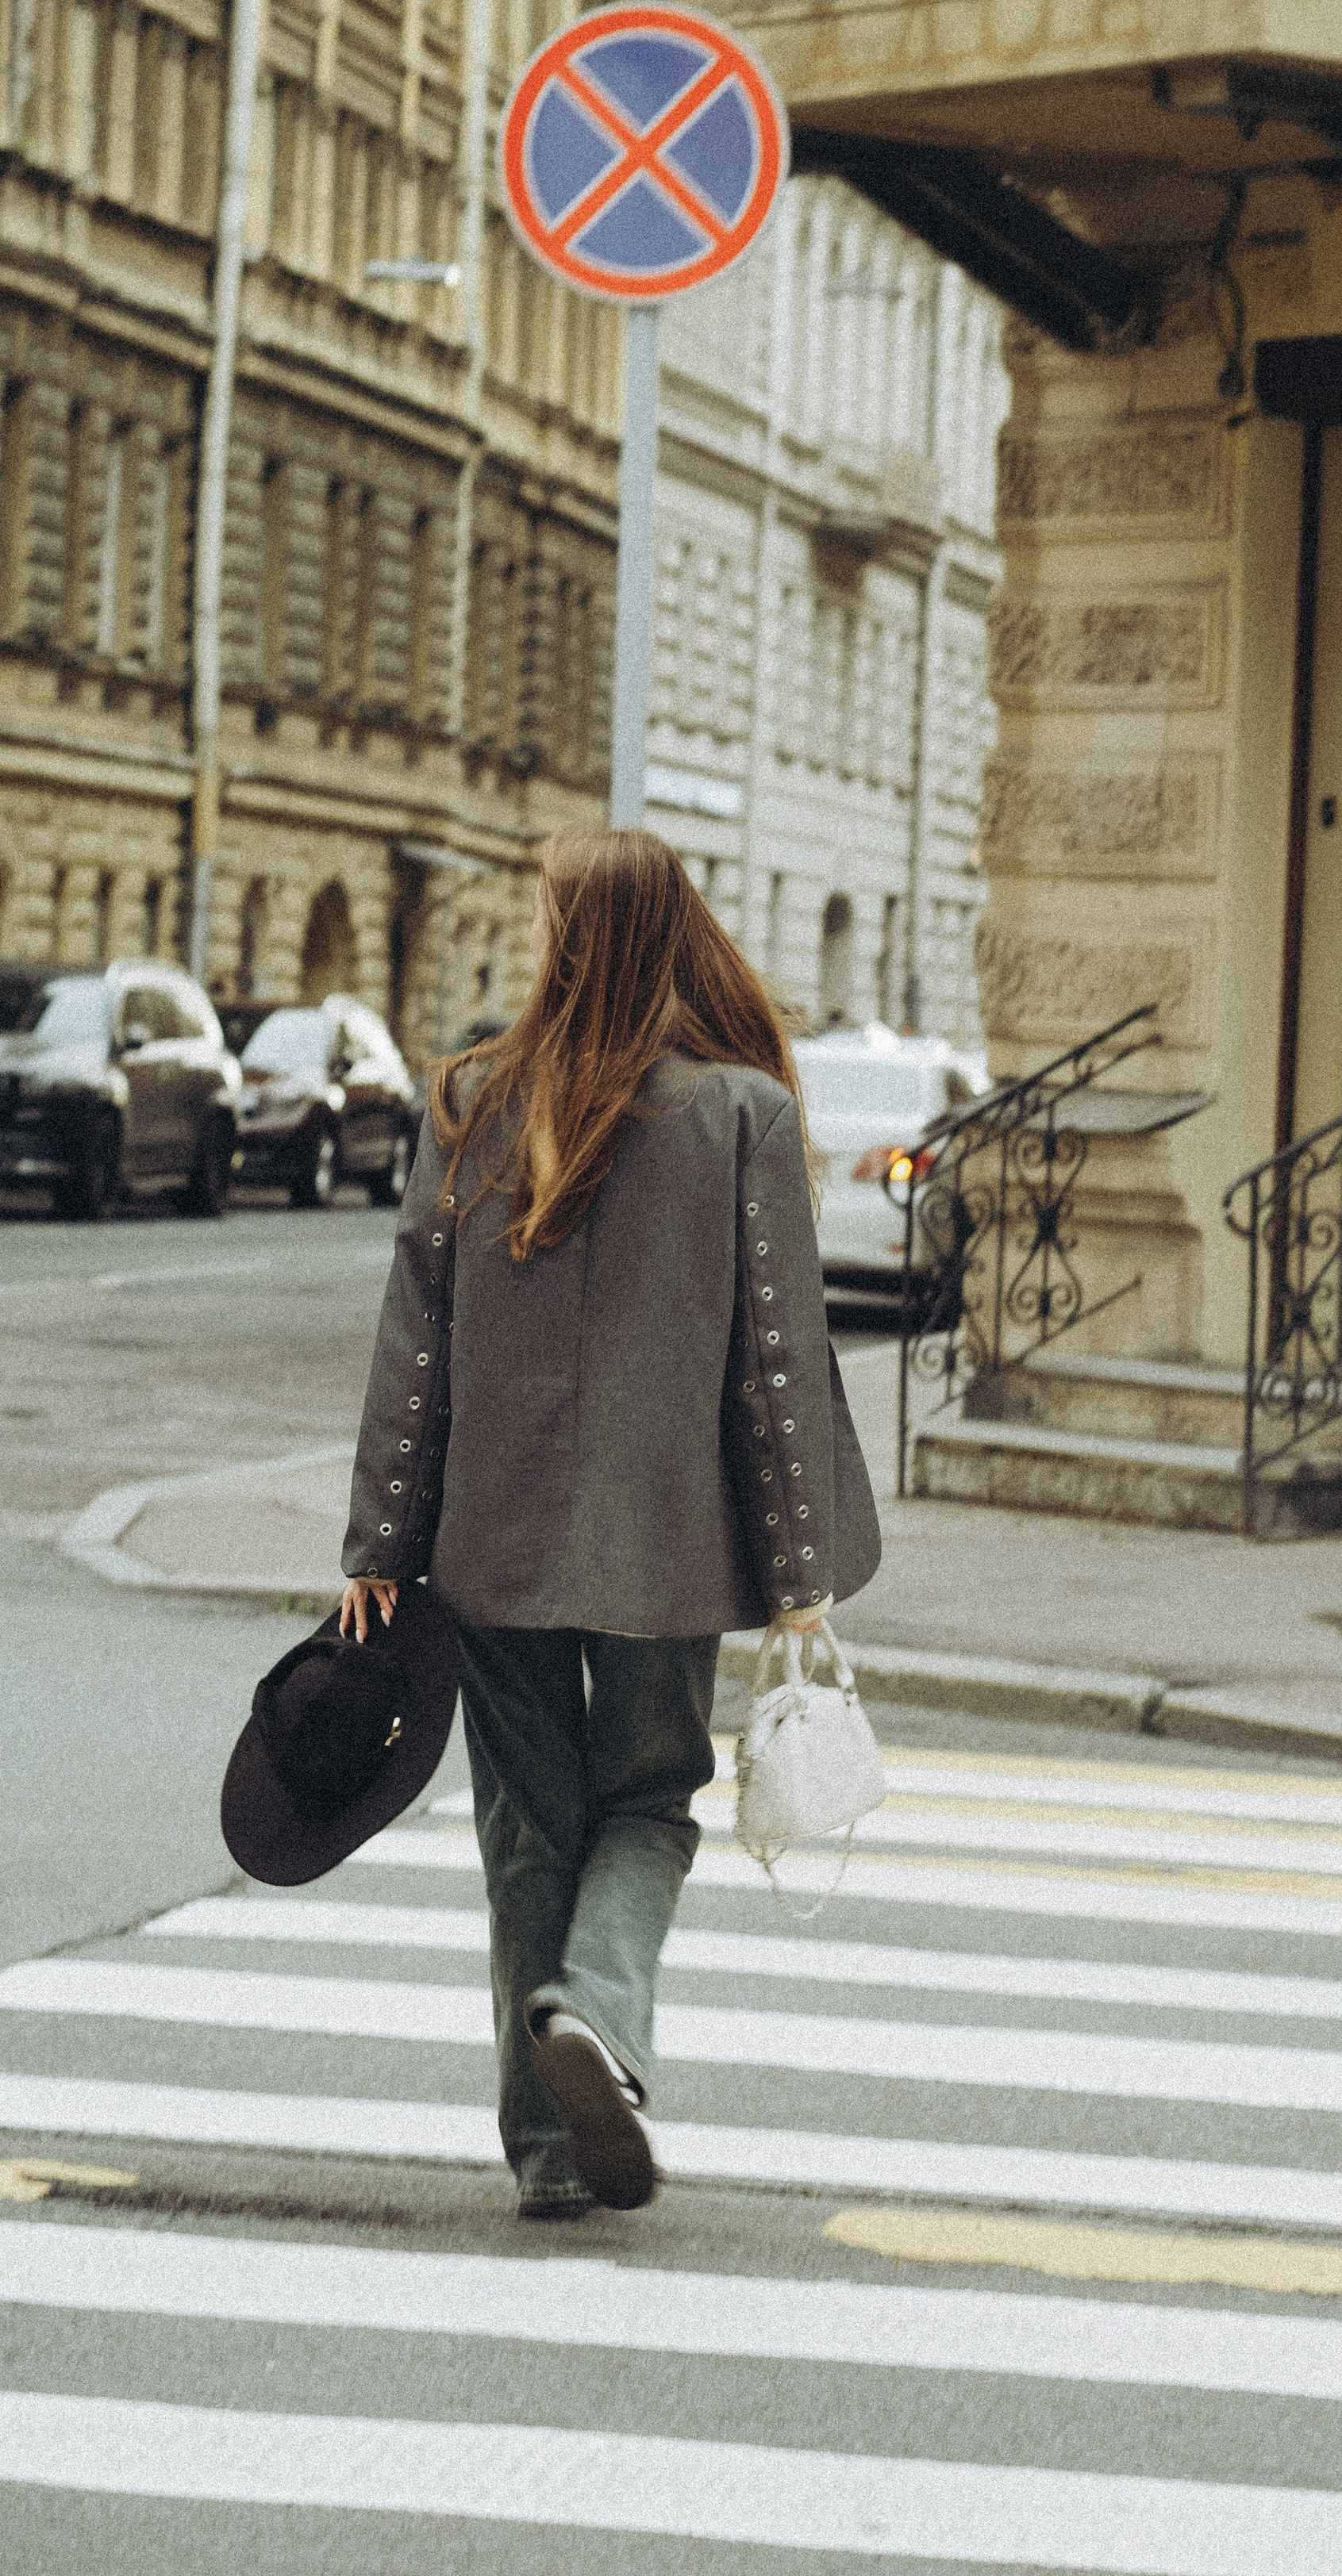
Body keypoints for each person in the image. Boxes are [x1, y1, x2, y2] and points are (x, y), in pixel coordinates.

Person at [335, 829, 879, 2219]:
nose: (529, 936)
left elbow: (419, 1343)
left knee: (528, 1824)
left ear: (574, 938)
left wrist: (379, 1548)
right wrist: (800, 1576)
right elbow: (776, 1357)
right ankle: (600, 2019)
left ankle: (550, 2152)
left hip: (489, 1541)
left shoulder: (470, 1099)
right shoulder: (741, 1114)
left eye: (540, 914)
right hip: (668, 1542)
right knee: (645, 1803)